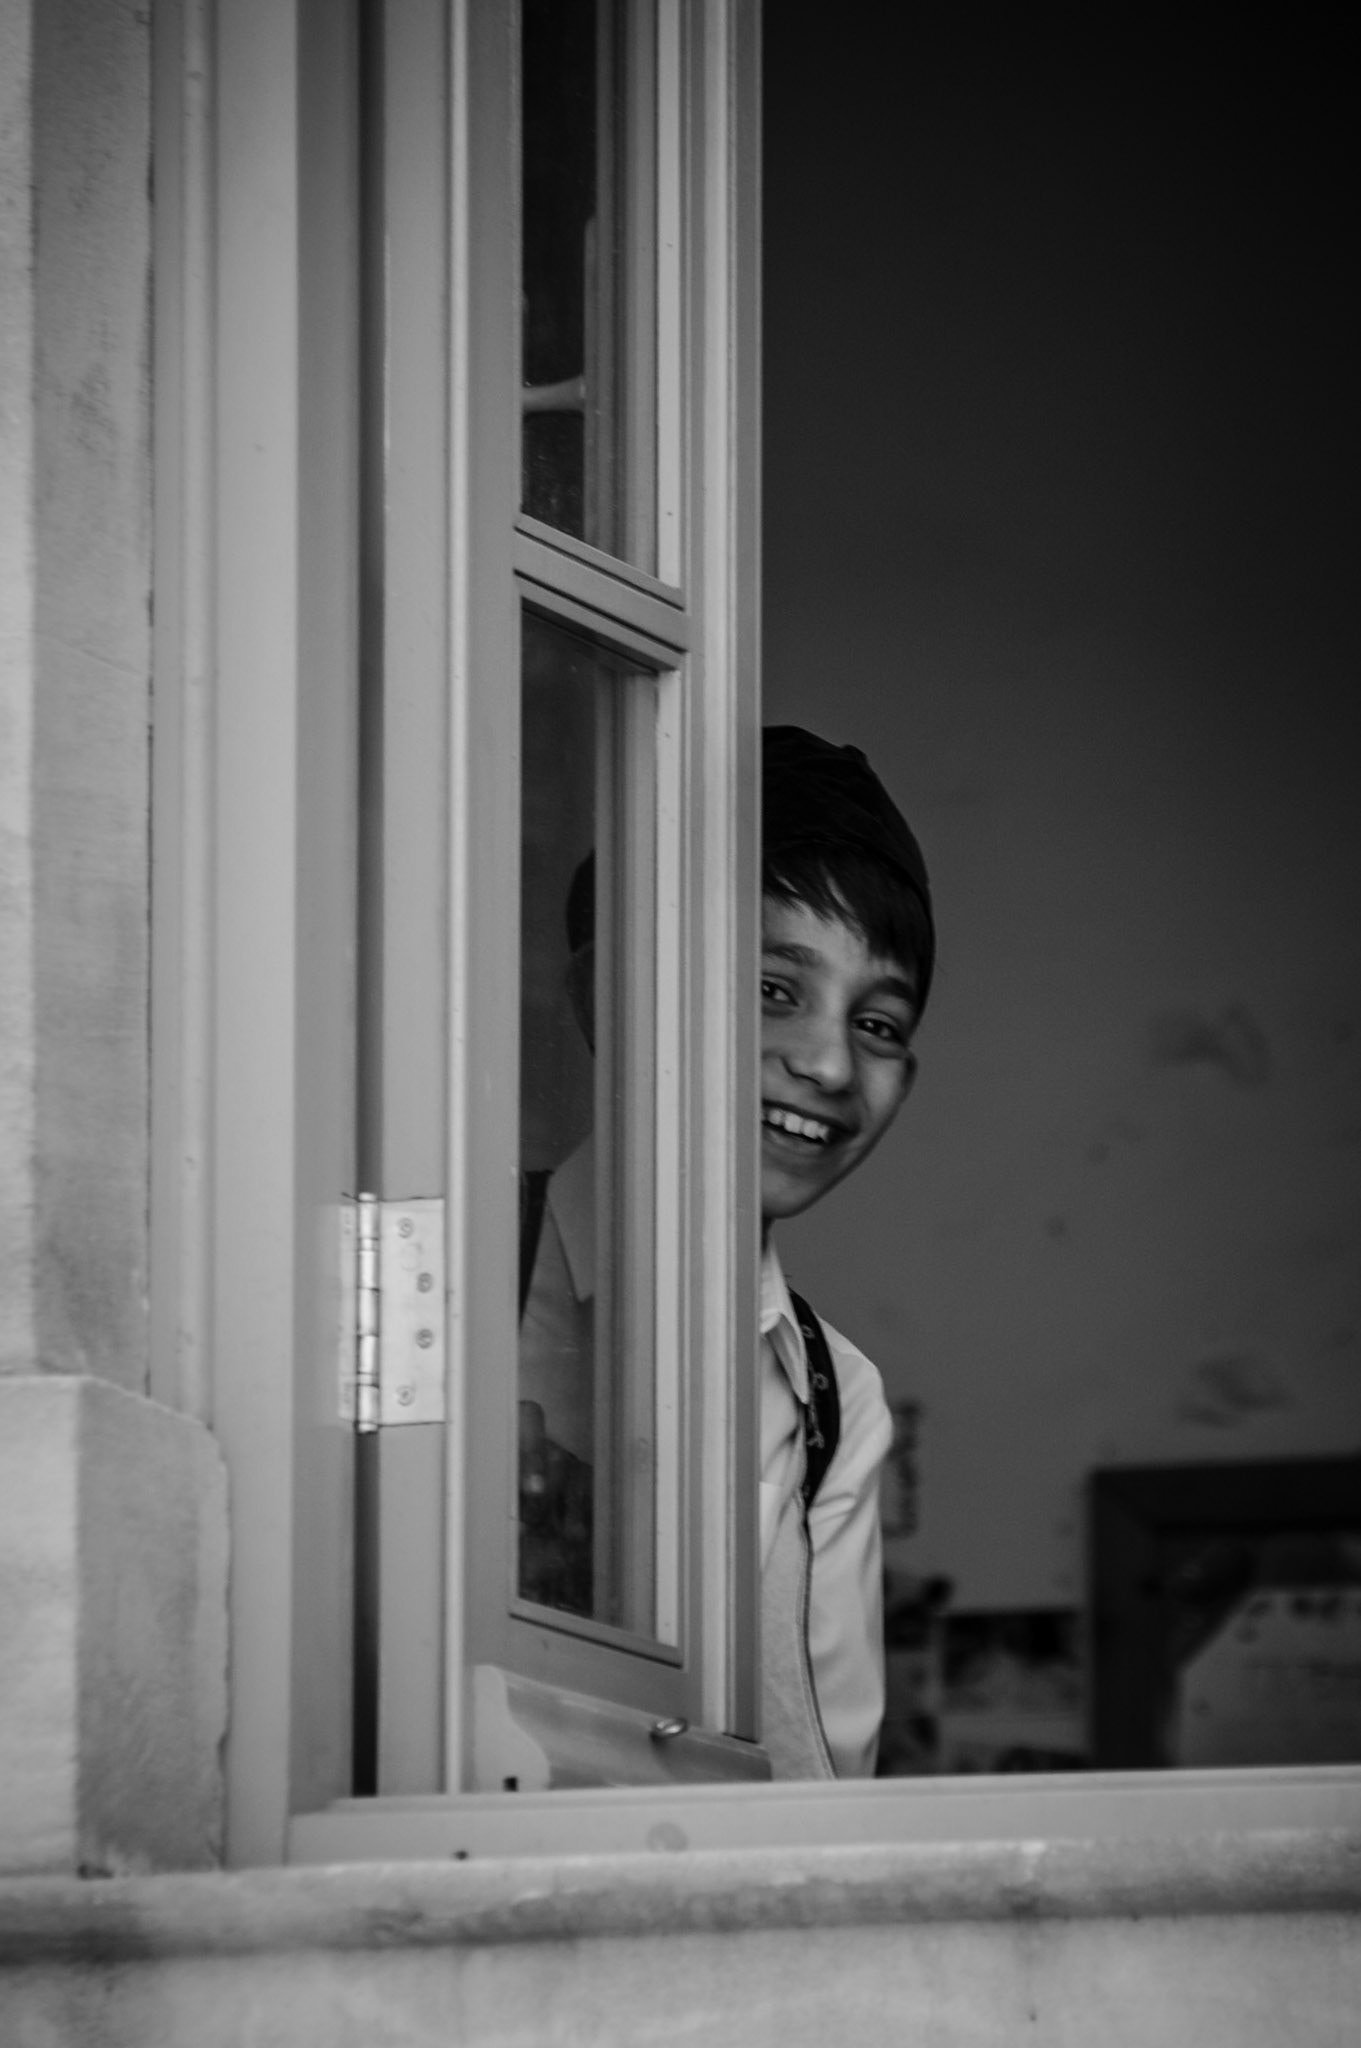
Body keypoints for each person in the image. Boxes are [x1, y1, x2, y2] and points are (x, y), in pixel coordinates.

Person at [519, 725, 935, 1776]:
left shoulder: (836, 1399)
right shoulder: (442, 1276)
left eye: (878, 1022)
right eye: (771, 989)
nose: (831, 1063)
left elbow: (820, 1781)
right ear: (606, 996)